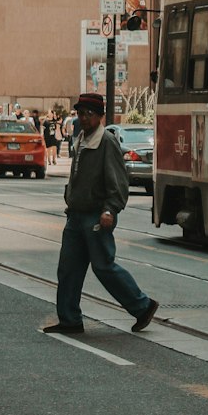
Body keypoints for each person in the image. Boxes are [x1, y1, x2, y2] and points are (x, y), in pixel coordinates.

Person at [42, 92, 158, 336]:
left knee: (103, 266)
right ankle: (70, 319)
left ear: (100, 116)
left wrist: (110, 209)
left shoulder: (106, 141)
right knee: (68, 268)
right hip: (76, 214)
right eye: (81, 113)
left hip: (96, 215)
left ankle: (143, 306)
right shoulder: (82, 137)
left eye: (89, 114)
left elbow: (118, 182)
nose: (83, 118)